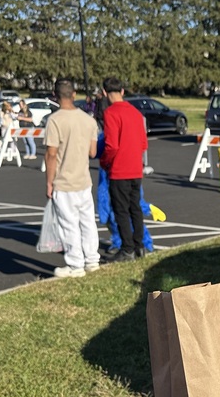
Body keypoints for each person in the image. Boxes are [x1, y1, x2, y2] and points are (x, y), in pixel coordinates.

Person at [44, 78, 100, 278]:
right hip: (83, 179)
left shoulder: (55, 120)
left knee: (69, 225)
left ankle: (75, 264)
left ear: (55, 96)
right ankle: (92, 259)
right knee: (87, 222)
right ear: (74, 94)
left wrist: (49, 182)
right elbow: (93, 152)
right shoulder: (89, 120)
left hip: (64, 181)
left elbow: (51, 154)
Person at [99, 77, 148, 261]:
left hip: (119, 169)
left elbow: (111, 145)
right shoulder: (136, 113)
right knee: (135, 207)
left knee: (121, 210)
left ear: (105, 92)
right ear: (122, 91)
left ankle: (127, 248)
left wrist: (105, 161)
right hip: (135, 168)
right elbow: (143, 143)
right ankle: (139, 245)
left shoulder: (110, 113)